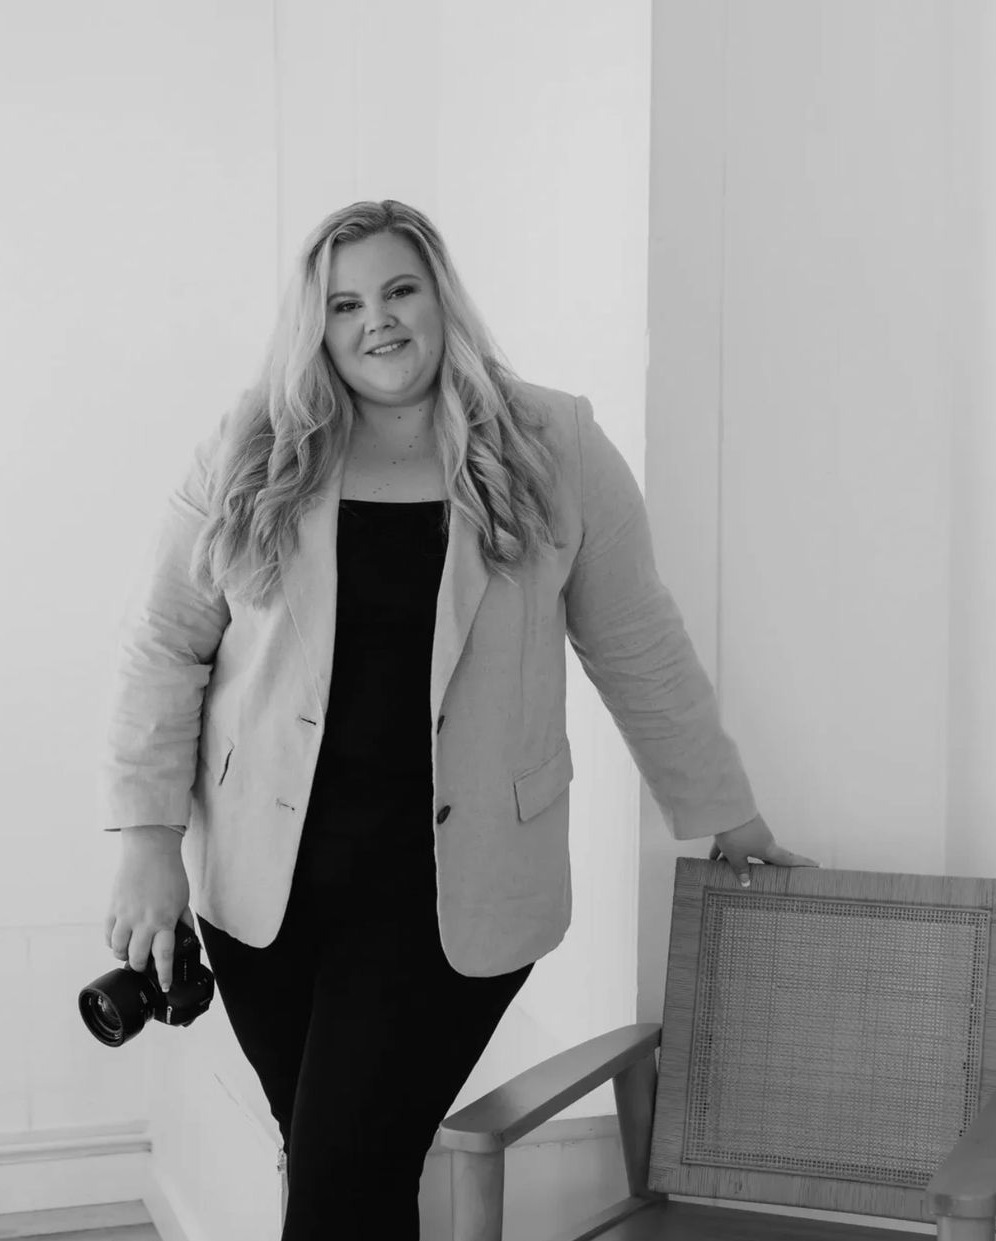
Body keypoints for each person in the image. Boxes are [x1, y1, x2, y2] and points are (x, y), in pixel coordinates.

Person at [101, 199, 817, 1239]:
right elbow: (164, 643)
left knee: (343, 1174)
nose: (376, 321)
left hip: (454, 885)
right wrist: (147, 841)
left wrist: (725, 814)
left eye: (398, 290)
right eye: (343, 304)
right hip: (266, 885)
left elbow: (637, 643)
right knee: (347, 1166)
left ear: (441, 295)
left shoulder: (551, 442)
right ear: (315, 325)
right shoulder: (251, 445)